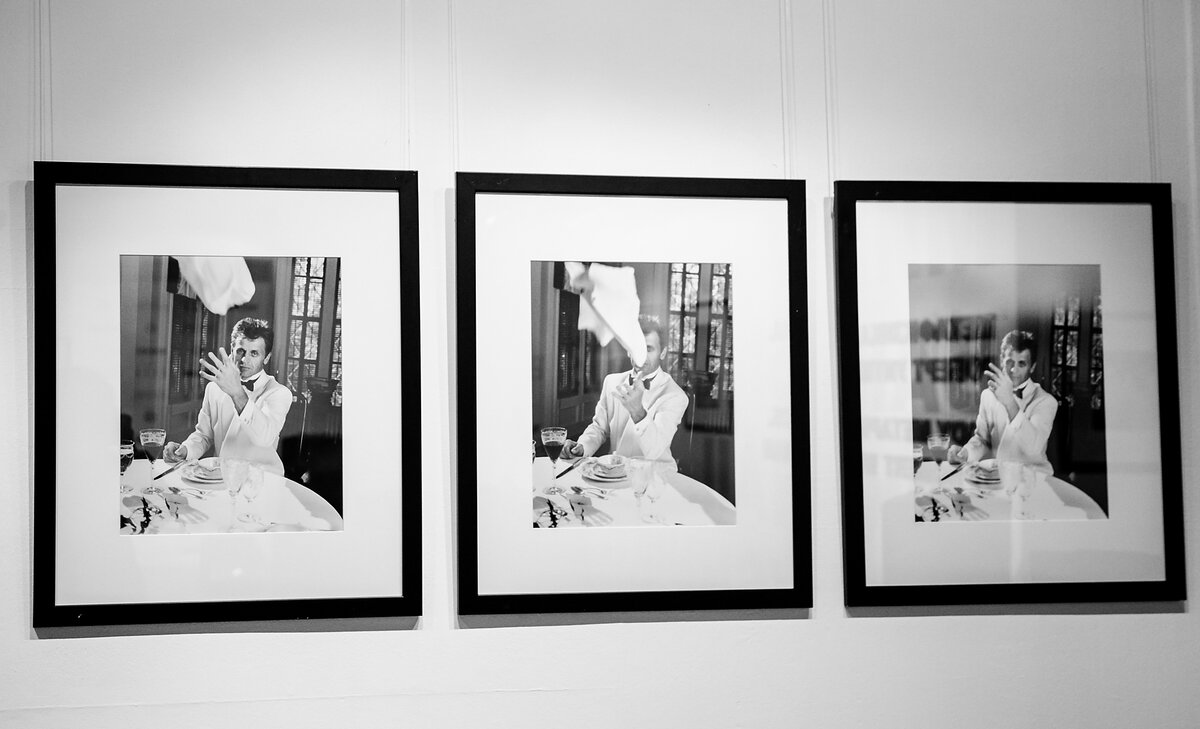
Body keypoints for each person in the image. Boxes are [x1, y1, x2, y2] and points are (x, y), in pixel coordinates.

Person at [163, 317, 292, 475]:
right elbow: (204, 435)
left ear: (266, 358)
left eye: (254, 353)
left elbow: (264, 438)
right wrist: (185, 449)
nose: (244, 360)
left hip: (262, 480)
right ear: (232, 349)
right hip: (222, 476)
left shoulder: (279, 393)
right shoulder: (214, 388)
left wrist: (237, 393)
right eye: (240, 351)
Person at [563, 316, 688, 469]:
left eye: (648, 349)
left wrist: (638, 413)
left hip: (655, 475)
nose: (641, 356)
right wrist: (582, 447)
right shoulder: (611, 382)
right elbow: (599, 428)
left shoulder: (675, 395)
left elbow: (655, 450)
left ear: (662, 353)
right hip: (615, 471)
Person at [948, 329, 1057, 474]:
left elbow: (1033, 449)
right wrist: (965, 453)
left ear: (1032, 367)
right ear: (1001, 360)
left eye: (1022, 364)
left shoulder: (1046, 401)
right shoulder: (988, 395)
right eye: (1009, 362)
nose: (1013, 370)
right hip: (998, 477)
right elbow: (982, 440)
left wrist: (1010, 402)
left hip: (1034, 478)